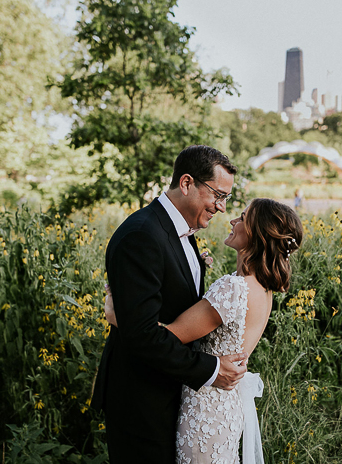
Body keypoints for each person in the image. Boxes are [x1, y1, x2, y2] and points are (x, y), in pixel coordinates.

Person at [105, 198, 304, 463]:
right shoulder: (263, 289)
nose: (233, 220)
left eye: (243, 218)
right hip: (226, 407)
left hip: (205, 411)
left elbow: (166, 336)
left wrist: (116, 313)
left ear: (257, 234)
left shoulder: (234, 288)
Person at [90, 145, 249, 464]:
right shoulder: (142, 235)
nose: (220, 207)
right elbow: (143, 336)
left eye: (226, 198)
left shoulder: (183, 232)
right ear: (187, 183)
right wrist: (212, 370)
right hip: (141, 401)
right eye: (217, 195)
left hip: (171, 395)